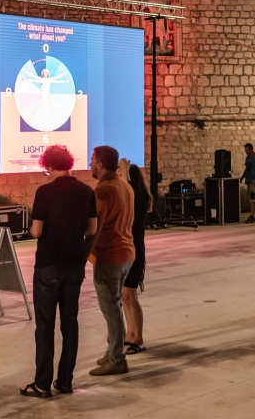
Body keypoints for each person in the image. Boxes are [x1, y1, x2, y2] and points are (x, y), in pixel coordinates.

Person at [22, 146, 97, 399]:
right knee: (70, 325)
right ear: (69, 163)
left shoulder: (45, 191)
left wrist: (32, 230)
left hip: (48, 265)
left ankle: (42, 383)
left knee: (44, 326)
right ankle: (65, 381)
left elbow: (37, 231)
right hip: (74, 264)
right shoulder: (86, 191)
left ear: (48, 165)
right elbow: (91, 228)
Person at [88, 146, 135, 377]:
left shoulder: (103, 191)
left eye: (91, 160)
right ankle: (111, 351)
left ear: (99, 164)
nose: (89, 164)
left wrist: (84, 252)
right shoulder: (125, 185)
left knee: (111, 310)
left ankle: (117, 359)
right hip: (127, 254)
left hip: (109, 256)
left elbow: (95, 227)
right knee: (114, 307)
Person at [122, 163, 152, 356]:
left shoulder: (138, 196)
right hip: (128, 249)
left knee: (130, 295)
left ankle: (138, 338)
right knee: (125, 295)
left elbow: (126, 192)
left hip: (134, 250)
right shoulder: (140, 194)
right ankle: (129, 333)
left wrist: (123, 172)